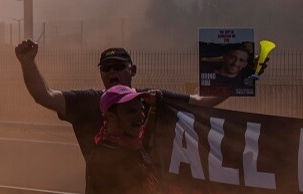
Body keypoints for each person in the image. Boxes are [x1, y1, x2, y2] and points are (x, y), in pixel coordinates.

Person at [13, 42, 225, 160]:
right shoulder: (88, 102)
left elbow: (198, 101)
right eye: (106, 68)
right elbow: (44, 96)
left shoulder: (152, 98)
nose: (112, 72)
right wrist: (27, 62)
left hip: (147, 193)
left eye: (118, 66)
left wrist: (238, 82)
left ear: (132, 70)